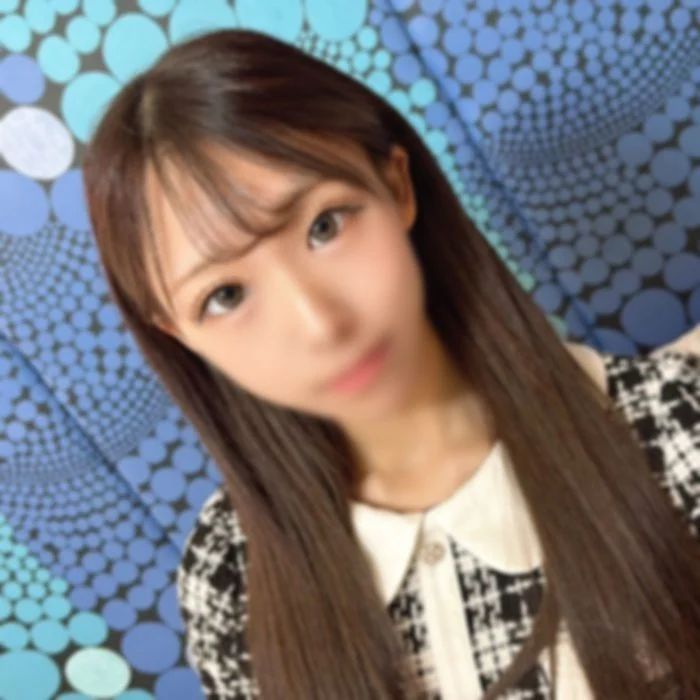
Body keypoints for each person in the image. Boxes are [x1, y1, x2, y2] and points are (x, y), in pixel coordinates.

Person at [81, 28, 700, 700]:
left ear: (396, 185)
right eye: (225, 296)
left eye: (324, 226)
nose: (320, 325)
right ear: (178, 335)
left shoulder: (671, 431)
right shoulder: (230, 575)